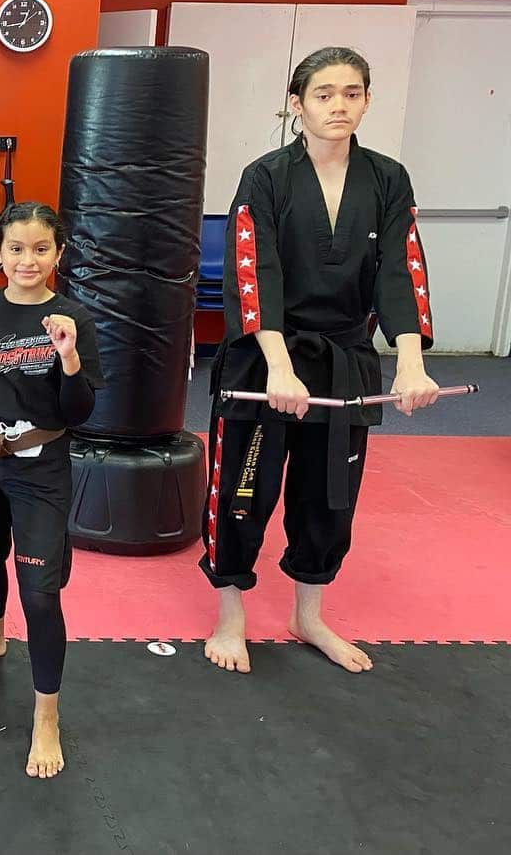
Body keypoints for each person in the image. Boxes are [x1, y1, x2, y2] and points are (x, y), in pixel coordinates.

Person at [203, 46, 442, 675]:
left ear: (367, 100)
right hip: (263, 356)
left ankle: (308, 616)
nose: (339, 105)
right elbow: (255, 273)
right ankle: (231, 616)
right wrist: (278, 366)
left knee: (330, 497)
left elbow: (402, 270)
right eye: (324, 93)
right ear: (297, 103)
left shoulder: (388, 178)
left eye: (352, 93)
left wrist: (410, 362)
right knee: (242, 492)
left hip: (344, 359)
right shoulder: (266, 176)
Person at [0, 203, 102, 779]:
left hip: (41, 465)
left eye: (40, 249)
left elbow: (80, 410)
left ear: (57, 254)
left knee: (39, 592)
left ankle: (46, 715)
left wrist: (70, 357)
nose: (27, 260)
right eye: (16, 249)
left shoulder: (72, 316)